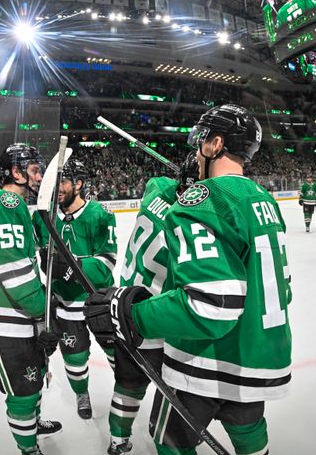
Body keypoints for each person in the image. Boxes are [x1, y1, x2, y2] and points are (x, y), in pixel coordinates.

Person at [85, 104, 292, 455]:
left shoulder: (202, 200)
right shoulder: (263, 200)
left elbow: (211, 304)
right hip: (258, 354)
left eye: (201, 142)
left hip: (206, 360)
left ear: (215, 144)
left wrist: (131, 314)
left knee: (169, 442)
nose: (196, 152)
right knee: (252, 438)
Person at [0, 144, 61, 455]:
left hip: (10, 311)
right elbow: (15, 273)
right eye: (33, 169)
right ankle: (28, 449)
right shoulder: (4, 202)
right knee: (23, 390)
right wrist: (44, 315)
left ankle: (33, 421)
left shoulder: (15, 206)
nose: (40, 175)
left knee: (34, 376)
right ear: (16, 172)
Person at [105, 152, 199, 455]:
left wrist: (181, 178)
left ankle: (118, 439)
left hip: (124, 308)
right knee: (172, 392)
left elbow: (160, 183)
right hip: (157, 317)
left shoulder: (156, 188)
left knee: (129, 384)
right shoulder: (194, 219)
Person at [32, 158, 118, 420]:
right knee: (75, 360)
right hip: (65, 305)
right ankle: (82, 393)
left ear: (79, 184)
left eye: (64, 182)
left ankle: (126, 397)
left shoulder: (101, 215)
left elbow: (107, 263)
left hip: (97, 301)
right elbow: (37, 260)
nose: (58, 188)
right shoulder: (42, 219)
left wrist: (72, 266)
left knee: (119, 356)